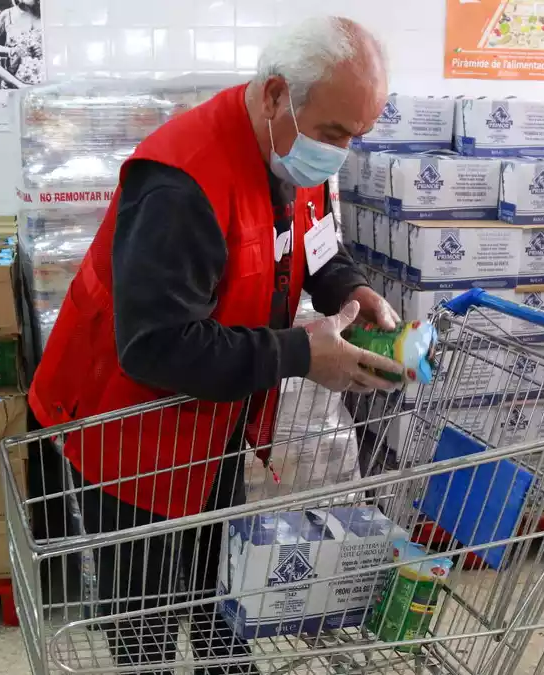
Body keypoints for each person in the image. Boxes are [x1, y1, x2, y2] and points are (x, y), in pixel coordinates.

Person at [28, 16, 401, 675]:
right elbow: (154, 345)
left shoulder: (294, 143)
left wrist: (352, 287)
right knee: (143, 603)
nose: (339, 152)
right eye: (336, 134)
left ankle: (223, 660)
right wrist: (300, 354)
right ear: (278, 93)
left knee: (215, 571)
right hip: (128, 428)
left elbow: (313, 243)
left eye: (355, 137)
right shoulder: (182, 181)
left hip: (216, 408)